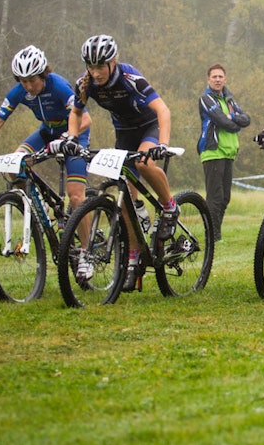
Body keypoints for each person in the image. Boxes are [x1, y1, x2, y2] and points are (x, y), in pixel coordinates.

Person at [63, 34, 179, 290]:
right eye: (91, 67)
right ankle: (134, 257)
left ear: (113, 61)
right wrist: (72, 137)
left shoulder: (129, 77)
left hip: (149, 127)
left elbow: (163, 110)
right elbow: (76, 112)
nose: (96, 72)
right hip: (124, 133)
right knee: (123, 194)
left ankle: (169, 206)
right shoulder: (85, 83)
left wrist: (163, 144)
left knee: (143, 164)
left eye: (100, 66)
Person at [0, 45, 92, 220]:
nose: (28, 86)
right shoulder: (19, 91)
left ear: (43, 74)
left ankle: (85, 247)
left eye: (32, 80)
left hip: (74, 135)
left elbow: (85, 119)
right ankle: (40, 211)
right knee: (14, 163)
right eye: (23, 81)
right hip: (46, 132)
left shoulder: (58, 86)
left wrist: (67, 137)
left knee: (76, 196)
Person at [198, 63, 250, 241]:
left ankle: (215, 233)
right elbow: (222, 121)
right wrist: (233, 121)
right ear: (208, 79)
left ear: (225, 79)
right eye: (214, 77)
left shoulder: (230, 101)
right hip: (213, 152)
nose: (218, 79)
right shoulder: (206, 99)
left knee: (225, 198)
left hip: (228, 153)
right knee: (215, 197)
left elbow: (246, 119)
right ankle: (213, 236)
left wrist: (232, 116)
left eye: (221, 76)